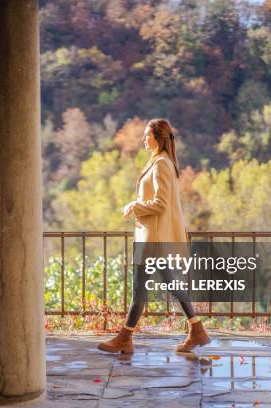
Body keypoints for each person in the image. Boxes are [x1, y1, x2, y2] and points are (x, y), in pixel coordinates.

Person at [97, 118, 210, 354]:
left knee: (139, 290)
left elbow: (160, 203)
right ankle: (196, 329)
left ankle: (125, 337)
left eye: (147, 136)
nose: (143, 140)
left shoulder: (161, 164)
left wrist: (135, 206)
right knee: (170, 283)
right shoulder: (160, 162)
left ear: (158, 138)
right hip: (151, 236)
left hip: (151, 238)